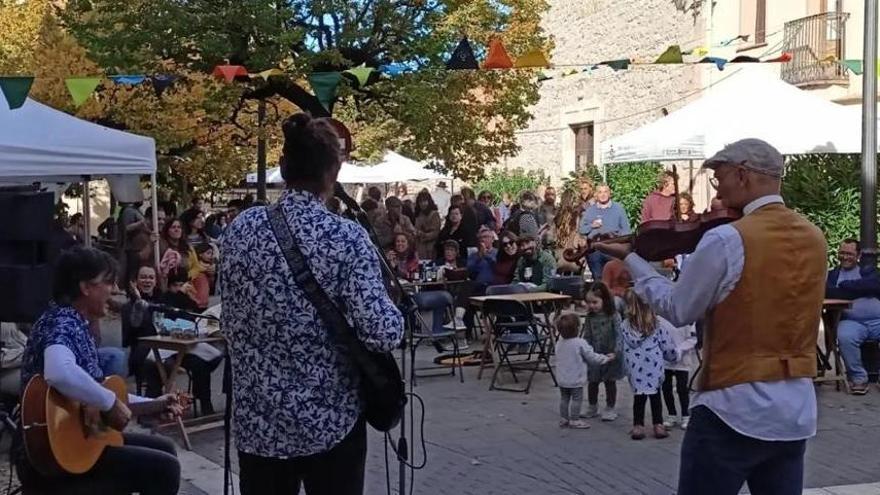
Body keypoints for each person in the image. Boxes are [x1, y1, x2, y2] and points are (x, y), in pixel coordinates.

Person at [594, 138, 827, 494]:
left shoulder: (727, 238)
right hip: (795, 408)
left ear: (742, 174)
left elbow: (679, 308)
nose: (717, 193)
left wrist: (632, 260)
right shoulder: (814, 237)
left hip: (732, 406)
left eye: (719, 180)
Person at [220, 113, 403, 495]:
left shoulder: (240, 228)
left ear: (284, 167)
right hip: (329, 420)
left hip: (258, 422)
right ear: (333, 173)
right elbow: (381, 331)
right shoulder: (345, 237)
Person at [16, 247, 183, 495]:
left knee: (165, 449)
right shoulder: (63, 322)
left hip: (80, 439)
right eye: (108, 282)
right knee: (164, 468)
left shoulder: (76, 323)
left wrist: (154, 404)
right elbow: (59, 372)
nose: (114, 289)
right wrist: (110, 403)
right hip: (50, 455)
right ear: (86, 287)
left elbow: (96, 391)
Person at [123, 265, 222, 414]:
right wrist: (138, 306)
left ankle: (205, 403)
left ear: (156, 281)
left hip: (172, 347)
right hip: (144, 349)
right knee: (158, 364)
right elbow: (131, 333)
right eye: (143, 277)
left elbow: (185, 317)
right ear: (135, 281)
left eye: (151, 277)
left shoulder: (163, 300)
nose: (147, 281)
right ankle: (152, 408)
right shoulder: (130, 306)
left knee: (200, 361)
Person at [620, 290, 677, 440]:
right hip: (654, 365)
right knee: (655, 395)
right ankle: (658, 424)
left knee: (639, 396)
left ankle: (638, 426)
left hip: (634, 367)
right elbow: (667, 347)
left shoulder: (625, 326)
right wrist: (673, 356)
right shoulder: (656, 325)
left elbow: (620, 345)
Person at [826, 238, 880, 395]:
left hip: (878, 320)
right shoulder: (833, 275)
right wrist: (863, 288)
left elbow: (875, 285)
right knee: (844, 337)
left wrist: (846, 287)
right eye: (842, 253)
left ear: (858, 255)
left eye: (849, 253)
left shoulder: (868, 271)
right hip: (851, 322)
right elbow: (829, 292)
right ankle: (858, 379)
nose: (845, 257)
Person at [555, 313, 613, 429]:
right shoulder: (579, 343)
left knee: (564, 398)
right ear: (577, 328)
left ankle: (564, 418)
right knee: (577, 399)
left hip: (562, 378)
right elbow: (591, 357)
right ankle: (574, 419)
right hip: (576, 378)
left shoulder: (559, 343)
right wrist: (606, 358)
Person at [582, 281, 624, 422]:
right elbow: (587, 335)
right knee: (592, 382)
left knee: (609, 382)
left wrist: (617, 352)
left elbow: (619, 335)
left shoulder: (614, 316)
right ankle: (592, 406)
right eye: (589, 302)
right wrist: (586, 350)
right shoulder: (590, 317)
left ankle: (610, 407)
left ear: (604, 300)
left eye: (595, 302)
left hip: (610, 354)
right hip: (594, 354)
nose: (592, 306)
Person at [579, 184, 630, 280]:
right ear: (596, 195)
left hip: (613, 249)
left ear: (610, 194)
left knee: (614, 278)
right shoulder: (590, 211)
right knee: (598, 278)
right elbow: (582, 229)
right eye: (600, 192)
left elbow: (626, 230)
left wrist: (620, 243)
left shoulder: (618, 209)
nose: (603, 195)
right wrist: (591, 226)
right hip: (595, 250)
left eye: (605, 192)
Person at [663, 322, 698, 430]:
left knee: (682, 388)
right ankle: (671, 414)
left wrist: (679, 349)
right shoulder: (661, 319)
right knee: (666, 387)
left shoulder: (686, 320)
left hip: (682, 360)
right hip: (665, 360)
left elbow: (693, 339)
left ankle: (685, 416)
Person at [414, 190, 441, 260]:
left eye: (425, 201)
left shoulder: (434, 214)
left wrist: (424, 235)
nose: (423, 204)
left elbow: (436, 232)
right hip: (420, 247)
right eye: (420, 202)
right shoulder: (418, 215)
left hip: (431, 247)